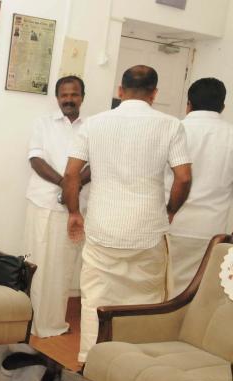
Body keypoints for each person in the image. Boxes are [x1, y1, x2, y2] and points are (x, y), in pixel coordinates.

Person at [62, 65, 192, 363]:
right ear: (154, 93)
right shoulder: (171, 125)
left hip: (103, 226)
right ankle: (133, 364)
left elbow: (71, 174)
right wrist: (170, 210)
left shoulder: (93, 124)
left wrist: (74, 212)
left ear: (120, 91)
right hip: (148, 228)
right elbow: (183, 177)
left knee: (95, 297)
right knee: (144, 300)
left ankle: (90, 361)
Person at [24, 76, 90, 338]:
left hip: (74, 209)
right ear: (57, 97)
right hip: (42, 202)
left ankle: (53, 323)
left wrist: (73, 187)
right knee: (37, 263)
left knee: (63, 268)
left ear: (82, 97)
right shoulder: (43, 124)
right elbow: (35, 159)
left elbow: (95, 164)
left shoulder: (92, 127)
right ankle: (33, 322)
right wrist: (67, 185)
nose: (69, 100)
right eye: (64, 95)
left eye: (74, 95)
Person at [167, 78, 233, 293]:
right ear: (222, 106)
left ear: (189, 103)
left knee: (164, 289)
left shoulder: (172, 129)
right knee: (200, 294)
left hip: (171, 223)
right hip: (212, 229)